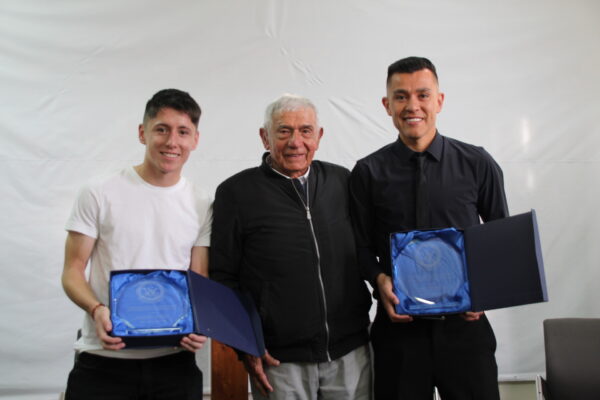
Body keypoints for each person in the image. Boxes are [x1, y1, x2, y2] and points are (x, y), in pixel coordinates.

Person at [349, 57, 508, 399]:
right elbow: (359, 248)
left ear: (439, 100)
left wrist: (484, 290)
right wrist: (380, 279)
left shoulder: (477, 163)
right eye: (401, 96)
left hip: (465, 330)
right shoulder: (367, 172)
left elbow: (501, 241)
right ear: (387, 105)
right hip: (398, 332)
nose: (412, 106)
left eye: (423, 95)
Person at [210, 94, 372, 400]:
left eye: (306, 131)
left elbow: (365, 250)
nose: (296, 141)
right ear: (265, 137)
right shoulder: (236, 192)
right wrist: (245, 342)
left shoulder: (342, 181)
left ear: (319, 137)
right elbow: (222, 277)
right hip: (279, 360)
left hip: (350, 352)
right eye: (284, 131)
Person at [61, 88, 212, 399]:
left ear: (195, 140)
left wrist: (200, 322)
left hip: (175, 363)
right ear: (143, 133)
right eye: (162, 129)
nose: (172, 142)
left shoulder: (202, 203)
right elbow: (72, 271)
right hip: (103, 359)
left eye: (183, 132)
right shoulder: (98, 192)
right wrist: (97, 309)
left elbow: (199, 279)